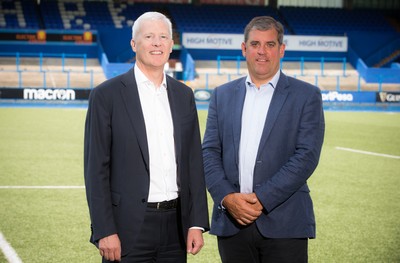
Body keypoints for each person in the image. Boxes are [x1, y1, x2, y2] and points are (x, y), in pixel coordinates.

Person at [84, 12, 209, 262]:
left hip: (176, 227)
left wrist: (196, 222)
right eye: (149, 36)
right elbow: (95, 169)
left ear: (171, 45)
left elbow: (193, 162)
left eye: (163, 37)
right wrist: (105, 230)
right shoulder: (106, 95)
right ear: (134, 44)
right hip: (127, 228)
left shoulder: (184, 96)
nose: (157, 43)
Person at [202, 16, 325, 263]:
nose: (262, 51)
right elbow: (209, 152)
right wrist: (227, 197)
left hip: (285, 224)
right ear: (244, 48)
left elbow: (306, 155)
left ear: (281, 50)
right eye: (255, 44)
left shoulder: (307, 96)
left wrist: (262, 199)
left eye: (270, 44)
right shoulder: (222, 95)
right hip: (232, 223)